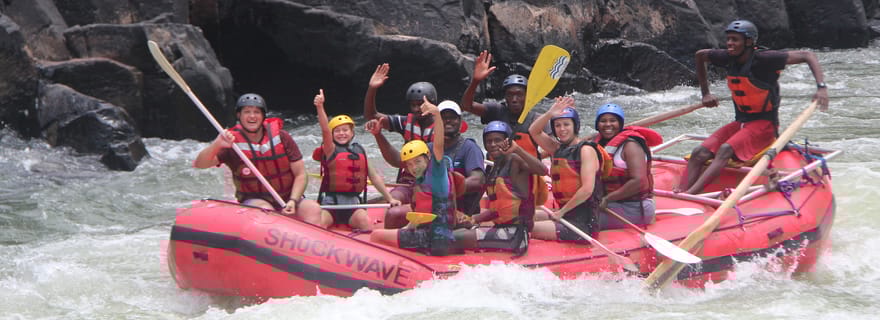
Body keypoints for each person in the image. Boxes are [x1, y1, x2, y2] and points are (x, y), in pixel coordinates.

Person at [677, 20, 830, 194]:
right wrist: (705, 93)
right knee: (699, 152)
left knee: (725, 149)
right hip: (740, 123)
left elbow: (807, 55)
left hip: (764, 126)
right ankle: (681, 192)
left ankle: (691, 194)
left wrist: (822, 88)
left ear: (749, 42)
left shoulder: (765, 59)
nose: (729, 44)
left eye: (735, 40)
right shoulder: (727, 56)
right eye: (728, 39)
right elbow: (700, 55)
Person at [193, 93, 321, 223]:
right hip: (256, 201)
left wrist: (293, 200)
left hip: (288, 198)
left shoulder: (282, 137)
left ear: (263, 116)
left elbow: (300, 174)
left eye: (256, 112)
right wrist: (217, 144)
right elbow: (200, 164)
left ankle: (312, 241)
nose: (252, 116)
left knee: (313, 208)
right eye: (247, 112)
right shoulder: (231, 144)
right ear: (239, 116)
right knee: (266, 211)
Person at [378, 100, 485, 228]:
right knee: (394, 213)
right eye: (443, 118)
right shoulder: (427, 148)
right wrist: (378, 135)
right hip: (431, 206)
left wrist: (443, 189)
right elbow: (398, 161)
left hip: (458, 209)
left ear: (460, 121)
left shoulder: (469, 148)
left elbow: (478, 180)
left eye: (452, 118)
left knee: (398, 214)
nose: (448, 121)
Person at [371, 97, 456, 256]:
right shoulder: (420, 179)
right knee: (393, 234)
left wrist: (437, 114)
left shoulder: (437, 172)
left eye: (417, 161)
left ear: (428, 157)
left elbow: (438, 144)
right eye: (409, 164)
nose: (413, 167)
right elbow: (420, 214)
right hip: (428, 236)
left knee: (376, 235)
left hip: (434, 238)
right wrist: (404, 229)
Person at [452, 121, 547, 255]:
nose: (493, 144)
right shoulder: (492, 169)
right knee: (453, 230)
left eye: (498, 140)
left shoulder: (515, 160)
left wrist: (517, 149)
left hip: (515, 235)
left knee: (454, 238)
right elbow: (497, 211)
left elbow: (543, 170)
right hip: (501, 229)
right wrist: (472, 219)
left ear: (507, 141)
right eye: (489, 141)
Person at [311, 89, 401, 230]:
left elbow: (374, 177)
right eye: (337, 131)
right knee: (320, 225)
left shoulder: (360, 151)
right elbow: (325, 130)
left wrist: (389, 198)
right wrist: (320, 107)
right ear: (333, 134)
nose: (341, 133)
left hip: (354, 204)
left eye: (345, 130)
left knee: (365, 223)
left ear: (352, 133)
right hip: (331, 204)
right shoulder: (330, 149)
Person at [363, 63, 443, 206]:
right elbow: (372, 115)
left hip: (433, 181)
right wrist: (372, 88)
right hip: (408, 180)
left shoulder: (441, 127)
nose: (417, 108)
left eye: (421, 104)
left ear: (432, 103)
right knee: (394, 202)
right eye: (413, 105)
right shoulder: (406, 122)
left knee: (420, 199)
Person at [528, 97, 608, 241]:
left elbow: (587, 190)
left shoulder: (586, 150)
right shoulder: (557, 149)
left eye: (566, 124)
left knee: (525, 226)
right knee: (522, 216)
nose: (562, 129)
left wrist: (561, 212)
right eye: (557, 125)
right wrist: (550, 113)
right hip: (565, 214)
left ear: (575, 126)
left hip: (582, 223)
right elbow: (533, 131)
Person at [460, 50, 551, 159]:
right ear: (505, 97)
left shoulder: (537, 120)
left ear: (527, 96)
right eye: (510, 95)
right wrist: (475, 81)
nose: (514, 99)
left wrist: (536, 158)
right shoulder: (496, 111)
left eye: (519, 95)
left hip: (526, 171)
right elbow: (466, 106)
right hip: (497, 170)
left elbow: (555, 146)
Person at [592, 103, 663, 229]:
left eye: (613, 121)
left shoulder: (631, 145)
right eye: (603, 121)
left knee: (582, 220)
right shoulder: (598, 145)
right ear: (597, 125)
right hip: (614, 204)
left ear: (620, 124)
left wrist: (607, 199)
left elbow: (639, 181)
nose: (608, 124)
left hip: (635, 207)